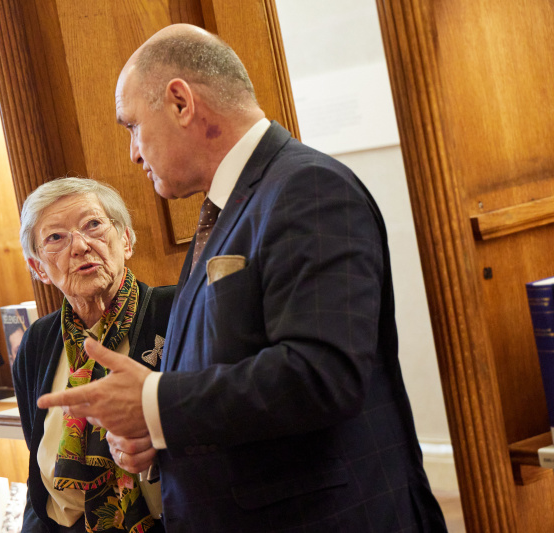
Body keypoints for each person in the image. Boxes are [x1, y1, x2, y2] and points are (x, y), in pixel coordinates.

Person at [38, 23, 448, 532]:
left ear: (181, 103)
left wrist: (154, 403)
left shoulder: (308, 188)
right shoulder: (226, 207)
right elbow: (230, 371)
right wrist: (161, 434)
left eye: (133, 127)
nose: (133, 153)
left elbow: (322, 375)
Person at [13, 177, 174, 532]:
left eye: (94, 225)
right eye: (56, 237)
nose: (81, 245)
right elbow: (38, 487)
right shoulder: (38, 341)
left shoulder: (177, 311)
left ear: (126, 240)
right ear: (38, 267)